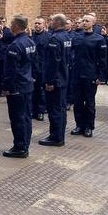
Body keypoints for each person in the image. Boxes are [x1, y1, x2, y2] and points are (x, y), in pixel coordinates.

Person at [2, 14, 36, 158]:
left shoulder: (16, 45)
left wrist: (7, 88)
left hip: (17, 87)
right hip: (27, 84)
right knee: (26, 117)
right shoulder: (30, 41)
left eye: (11, 23)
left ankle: (20, 147)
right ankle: (24, 144)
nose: (10, 26)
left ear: (16, 26)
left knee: (18, 118)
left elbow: (11, 71)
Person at [71, 14, 107, 138]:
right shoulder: (76, 37)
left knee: (90, 102)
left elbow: (102, 59)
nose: (84, 23)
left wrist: (101, 76)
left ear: (93, 23)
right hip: (77, 74)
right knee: (78, 102)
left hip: (90, 74)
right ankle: (79, 125)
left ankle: (88, 127)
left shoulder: (98, 39)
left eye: (87, 21)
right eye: (83, 21)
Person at [39, 14, 71, 147]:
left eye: (51, 20)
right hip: (63, 78)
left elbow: (53, 63)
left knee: (55, 110)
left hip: (56, 80)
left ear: (57, 22)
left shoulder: (55, 39)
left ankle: (56, 137)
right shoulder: (66, 37)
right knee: (61, 109)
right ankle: (58, 135)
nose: (50, 22)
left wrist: (50, 81)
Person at [31, 17, 49, 120]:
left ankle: (41, 111)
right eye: (36, 23)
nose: (37, 25)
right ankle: (33, 110)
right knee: (33, 90)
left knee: (41, 90)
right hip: (33, 67)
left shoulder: (48, 37)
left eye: (39, 23)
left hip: (42, 67)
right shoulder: (31, 36)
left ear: (44, 25)